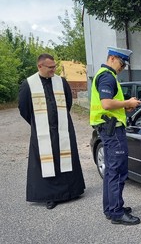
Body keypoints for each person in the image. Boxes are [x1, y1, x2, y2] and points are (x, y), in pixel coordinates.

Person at [18, 53, 85, 210]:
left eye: (54, 66)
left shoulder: (60, 82)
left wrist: (60, 120)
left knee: (66, 157)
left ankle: (71, 191)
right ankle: (50, 196)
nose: (54, 69)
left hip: (62, 128)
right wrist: (37, 123)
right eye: (50, 67)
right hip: (43, 132)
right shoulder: (29, 84)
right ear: (40, 66)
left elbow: (68, 103)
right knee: (47, 162)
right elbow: (24, 108)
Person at [90, 46, 141, 225]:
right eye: (122, 63)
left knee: (111, 172)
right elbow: (105, 104)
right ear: (112, 58)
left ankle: (111, 208)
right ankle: (117, 212)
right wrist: (128, 102)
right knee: (118, 171)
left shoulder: (105, 75)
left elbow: (110, 104)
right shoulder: (107, 76)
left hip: (108, 128)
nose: (123, 67)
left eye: (125, 65)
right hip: (113, 130)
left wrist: (125, 107)